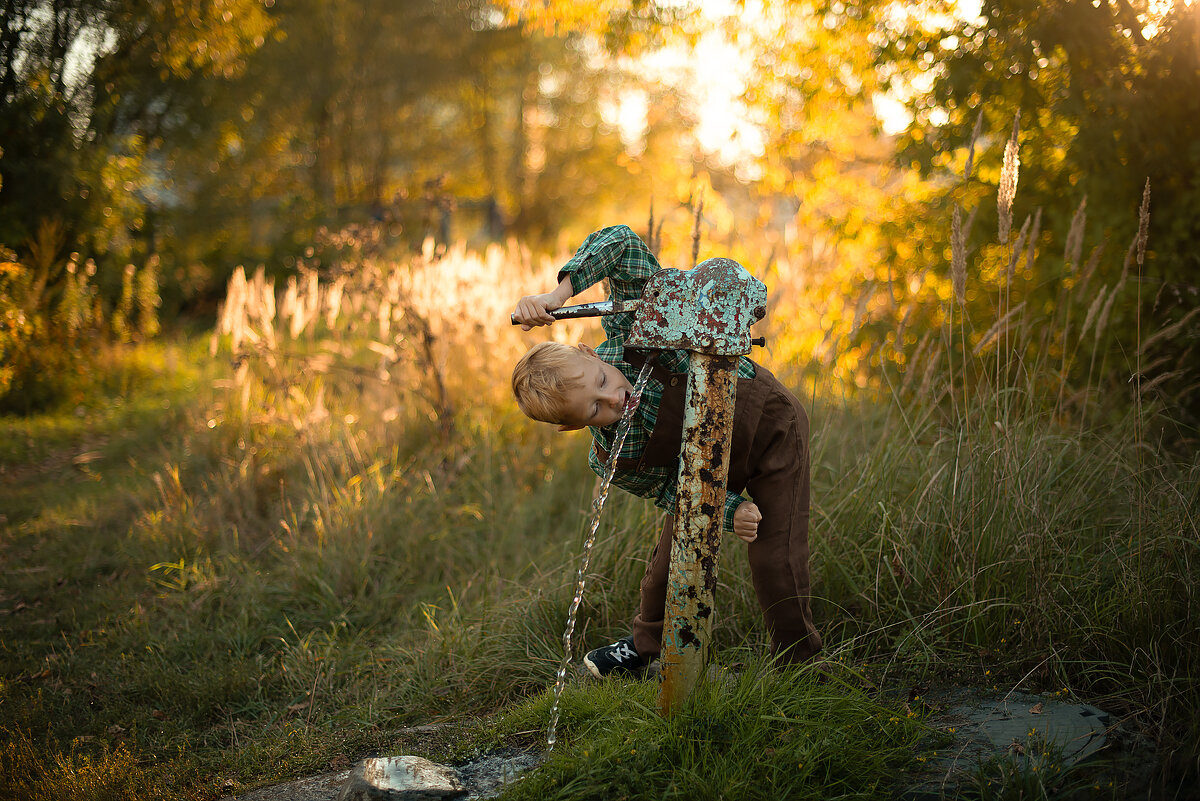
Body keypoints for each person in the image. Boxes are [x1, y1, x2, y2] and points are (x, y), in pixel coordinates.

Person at [511, 224, 821, 677]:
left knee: (776, 556)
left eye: (602, 383)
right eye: (594, 410)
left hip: (771, 429)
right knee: (666, 565)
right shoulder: (613, 457)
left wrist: (558, 296)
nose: (613, 400)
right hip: (703, 469)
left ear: (589, 352)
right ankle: (648, 651)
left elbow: (621, 243)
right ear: (572, 426)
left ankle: (802, 666)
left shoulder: (634, 334)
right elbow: (671, 488)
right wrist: (729, 507)